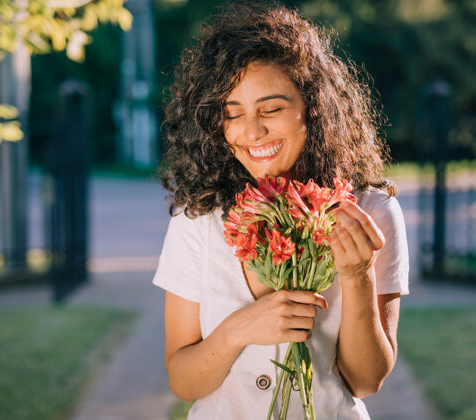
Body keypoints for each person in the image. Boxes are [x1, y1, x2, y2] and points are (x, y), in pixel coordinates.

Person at [153, 3, 409, 419]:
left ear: (314, 107)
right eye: (232, 114)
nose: (251, 132)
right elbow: (183, 380)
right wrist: (240, 328)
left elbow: (366, 381)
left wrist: (359, 276)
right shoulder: (198, 218)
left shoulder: (371, 211)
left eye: (271, 109)